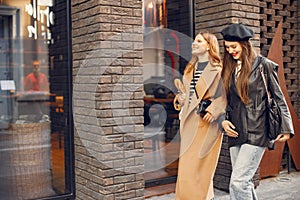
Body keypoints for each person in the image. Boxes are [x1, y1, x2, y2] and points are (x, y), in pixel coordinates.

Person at [220, 23, 294, 200]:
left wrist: (286, 127)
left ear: (244, 44)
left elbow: (278, 97)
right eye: (227, 47)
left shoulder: (264, 65)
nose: (230, 51)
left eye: (233, 47)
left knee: (238, 182)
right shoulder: (228, 68)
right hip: (235, 130)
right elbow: (225, 101)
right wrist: (223, 119)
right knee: (244, 182)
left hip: (258, 129)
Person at [173, 32, 227, 200]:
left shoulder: (218, 69)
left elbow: (226, 95)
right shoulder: (190, 69)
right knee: (188, 169)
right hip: (188, 123)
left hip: (206, 124)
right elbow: (189, 96)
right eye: (194, 41)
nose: (193, 43)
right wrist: (181, 99)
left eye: (199, 41)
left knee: (199, 169)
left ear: (209, 46)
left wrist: (214, 109)